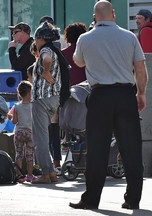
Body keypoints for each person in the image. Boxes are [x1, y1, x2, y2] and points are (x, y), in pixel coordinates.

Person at [70, 0, 148, 210]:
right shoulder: (129, 36)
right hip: (125, 94)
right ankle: (133, 199)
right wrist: (141, 94)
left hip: (99, 96)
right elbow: (140, 69)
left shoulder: (85, 38)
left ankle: (91, 199)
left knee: (97, 149)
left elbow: (78, 62)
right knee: (131, 148)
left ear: (94, 16)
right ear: (114, 13)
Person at [30, 21, 64, 184]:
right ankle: (51, 173)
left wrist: (45, 70)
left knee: (40, 138)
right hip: (53, 99)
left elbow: (46, 58)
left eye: (35, 39)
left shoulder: (46, 50)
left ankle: (45, 173)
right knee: (45, 135)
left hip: (42, 99)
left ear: (40, 38)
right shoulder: (56, 49)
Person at [11, 80, 36, 182]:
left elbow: (14, 121)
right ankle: (30, 175)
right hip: (30, 133)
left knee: (19, 154)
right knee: (30, 155)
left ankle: (20, 175)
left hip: (19, 132)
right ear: (30, 93)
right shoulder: (34, 106)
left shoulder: (17, 106)